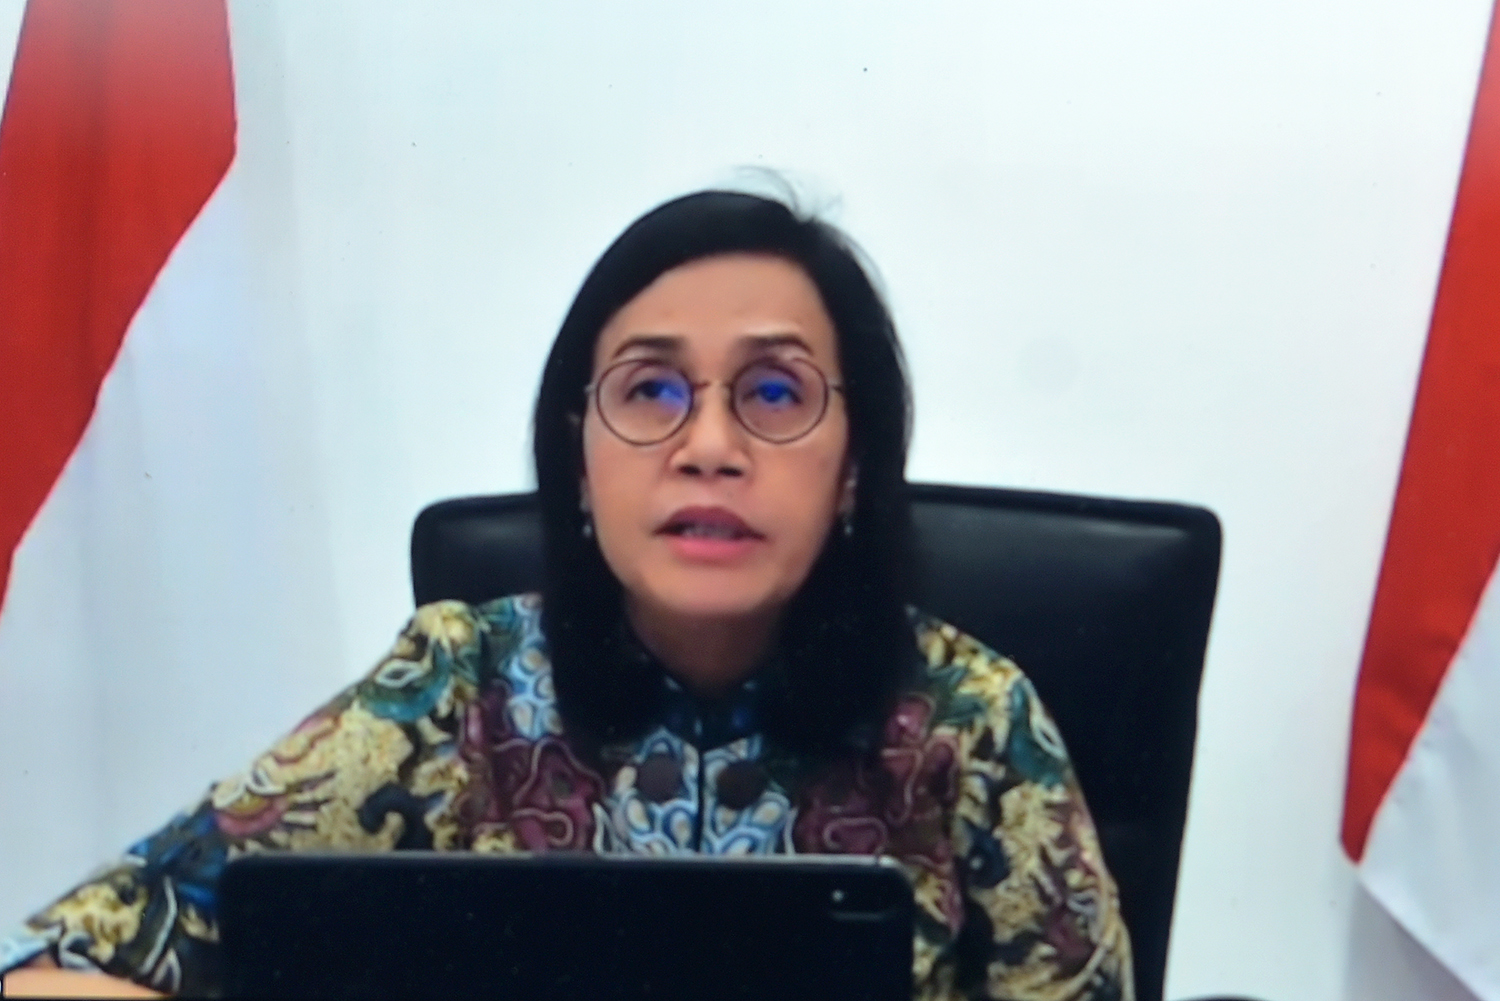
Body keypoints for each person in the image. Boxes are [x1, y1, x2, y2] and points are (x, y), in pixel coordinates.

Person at [0, 191, 1134, 1000]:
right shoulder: (459, 687)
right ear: (579, 464)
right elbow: (67, 960)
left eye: (775, 391)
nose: (709, 446)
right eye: (651, 391)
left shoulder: (970, 719)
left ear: (853, 470)